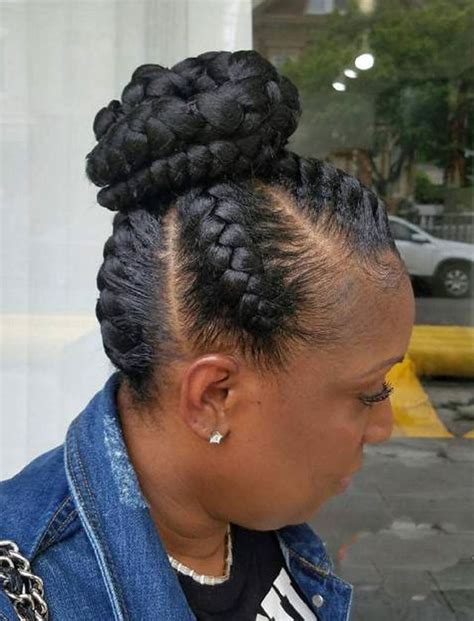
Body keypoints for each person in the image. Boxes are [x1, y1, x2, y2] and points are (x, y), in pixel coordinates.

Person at [0, 50, 415, 621]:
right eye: (370, 391)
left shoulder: (254, 512)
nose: (384, 427)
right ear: (214, 396)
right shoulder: (26, 591)